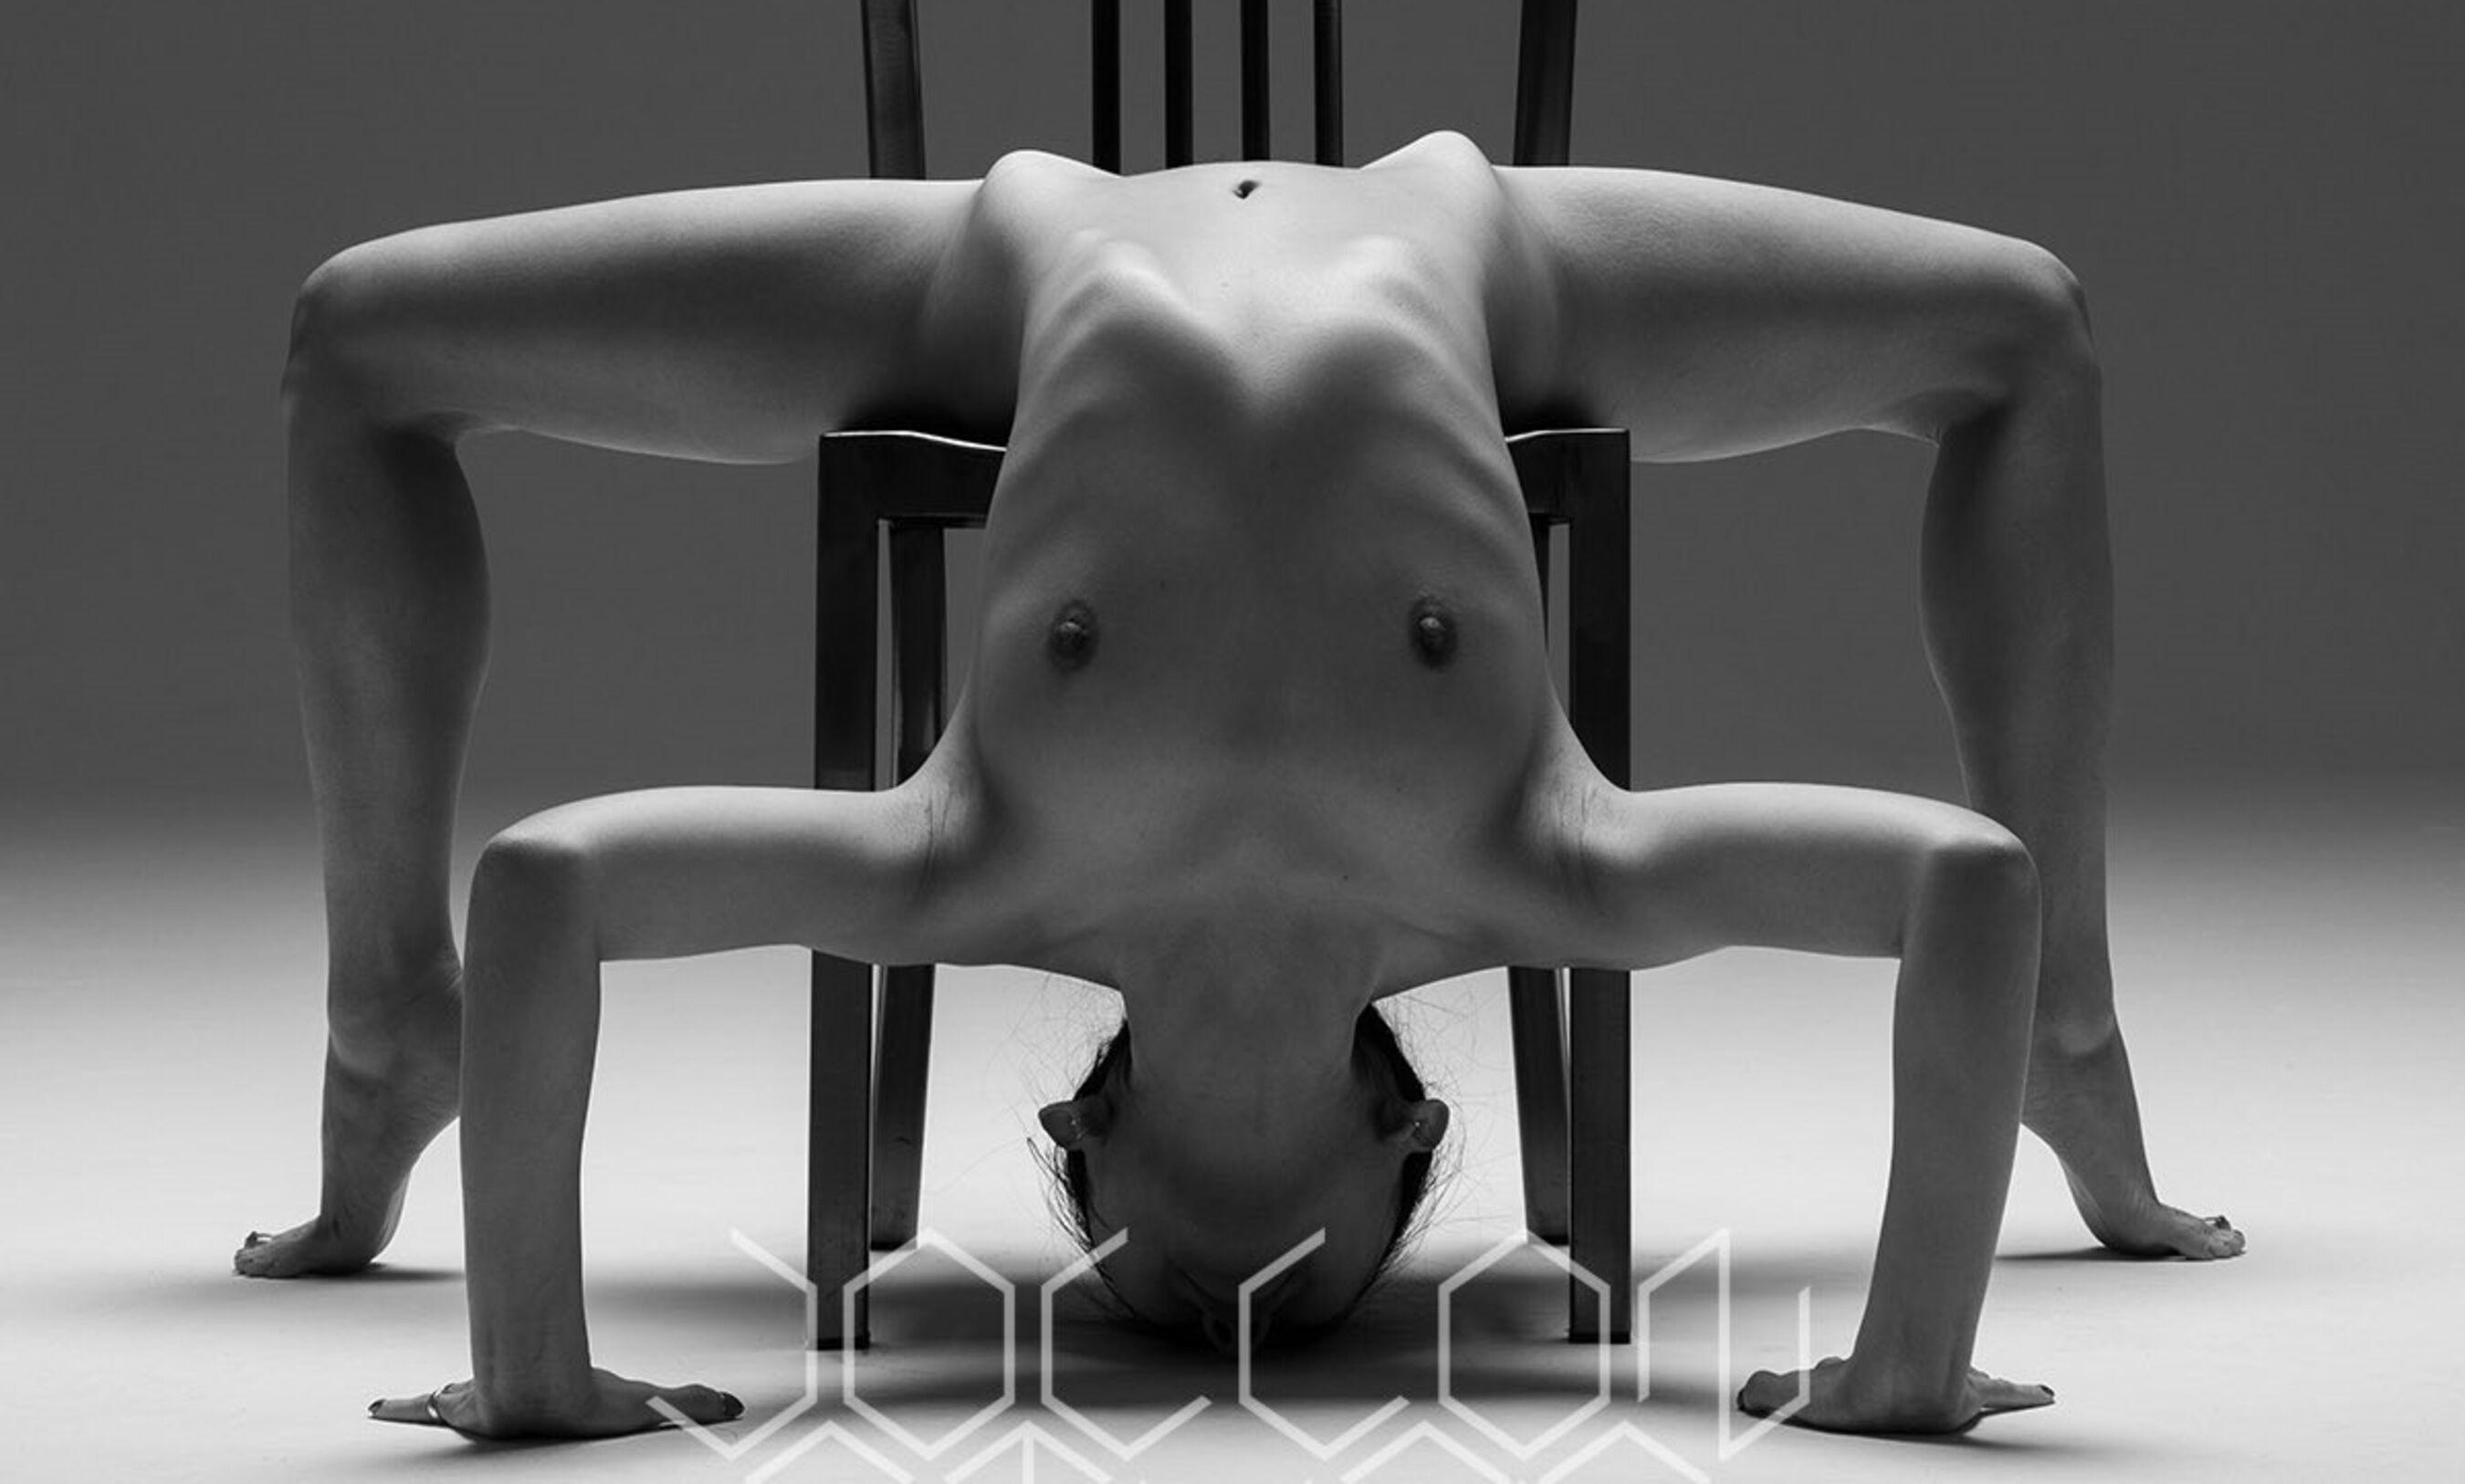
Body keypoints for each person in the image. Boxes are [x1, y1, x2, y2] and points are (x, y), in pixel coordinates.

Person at [237, 133, 2240, 1440]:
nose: (1231, 1313)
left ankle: (383, 1028)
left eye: (1177, 1312)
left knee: (358, 331)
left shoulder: (969, 870)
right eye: (1290, 1309)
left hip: (1004, 264)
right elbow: (1967, 883)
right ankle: (2065, 1038)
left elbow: (548, 883)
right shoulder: (1541, 867)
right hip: (1480, 249)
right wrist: (1907, 1360)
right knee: (2023, 319)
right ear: (1406, 1131)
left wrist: (532, 1368)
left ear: (1081, 1139)